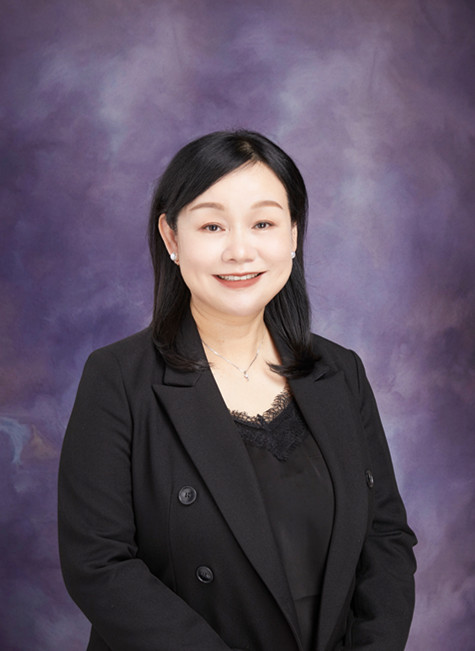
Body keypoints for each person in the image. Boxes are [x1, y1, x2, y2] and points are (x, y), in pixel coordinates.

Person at [58, 130, 417, 651]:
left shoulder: (341, 372)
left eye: (263, 223)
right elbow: (98, 564)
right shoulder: (117, 377)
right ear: (172, 237)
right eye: (212, 226)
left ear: (293, 234)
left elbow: (385, 538)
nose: (240, 251)